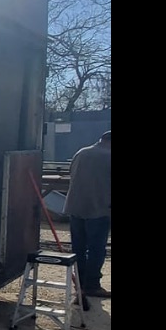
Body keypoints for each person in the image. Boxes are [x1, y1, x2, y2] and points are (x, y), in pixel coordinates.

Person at [64, 131, 112, 308]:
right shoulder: (108, 156)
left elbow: (72, 175)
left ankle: (80, 284)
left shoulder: (81, 152)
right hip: (98, 209)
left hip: (75, 207)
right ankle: (91, 285)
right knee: (96, 249)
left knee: (78, 248)